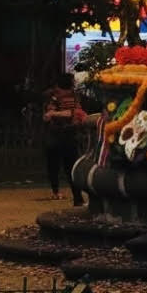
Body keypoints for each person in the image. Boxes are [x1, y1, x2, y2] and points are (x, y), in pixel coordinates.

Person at [43, 74, 85, 206]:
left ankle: (77, 198)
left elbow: (76, 113)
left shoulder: (74, 96)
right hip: (57, 135)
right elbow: (47, 116)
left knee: (70, 168)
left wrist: (55, 114)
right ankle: (58, 192)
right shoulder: (54, 96)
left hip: (68, 134)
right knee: (55, 165)